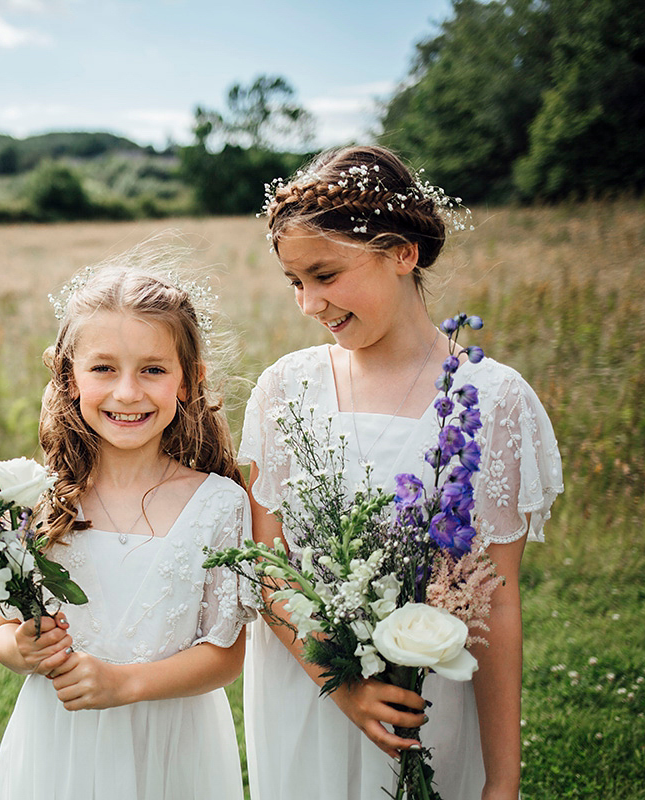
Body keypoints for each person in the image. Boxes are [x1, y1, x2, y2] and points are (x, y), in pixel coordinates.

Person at [240, 145, 564, 800]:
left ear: (401, 253)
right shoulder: (286, 389)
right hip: (311, 698)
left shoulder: (492, 399)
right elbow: (265, 558)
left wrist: (503, 781)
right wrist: (343, 685)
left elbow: (495, 600)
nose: (308, 303)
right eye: (295, 282)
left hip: (433, 707)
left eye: (325, 275)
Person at [0, 245, 257, 800]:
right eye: (104, 368)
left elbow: (226, 654)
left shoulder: (219, 504)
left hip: (171, 748)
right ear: (69, 378)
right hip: (58, 742)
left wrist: (124, 683)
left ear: (187, 381)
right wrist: (24, 649)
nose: (128, 392)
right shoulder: (36, 498)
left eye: (153, 370)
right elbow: (3, 635)